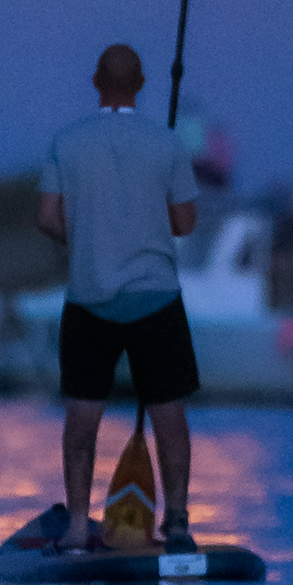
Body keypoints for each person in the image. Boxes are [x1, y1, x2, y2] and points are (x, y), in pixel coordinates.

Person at [38, 43, 200, 550]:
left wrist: (86, 242)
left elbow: (46, 217)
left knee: (81, 421)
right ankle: (175, 523)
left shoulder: (66, 142)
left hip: (89, 300)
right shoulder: (167, 143)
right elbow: (185, 222)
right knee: (169, 418)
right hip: (156, 299)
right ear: (143, 83)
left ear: (95, 81)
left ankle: (79, 527)